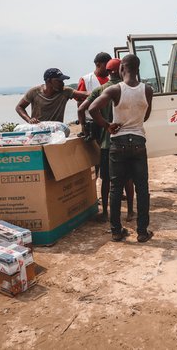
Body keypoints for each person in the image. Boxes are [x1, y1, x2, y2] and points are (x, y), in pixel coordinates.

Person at [89, 54, 154, 243]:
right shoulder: (147, 90)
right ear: (137, 69)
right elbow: (146, 115)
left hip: (118, 142)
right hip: (138, 142)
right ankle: (142, 232)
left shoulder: (116, 90)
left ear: (121, 69)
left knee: (115, 188)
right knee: (142, 188)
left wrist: (107, 125)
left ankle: (116, 231)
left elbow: (93, 108)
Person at [78, 59, 134, 222]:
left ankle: (105, 213)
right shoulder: (129, 89)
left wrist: (85, 128)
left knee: (106, 180)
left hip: (106, 142)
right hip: (127, 140)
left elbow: (82, 109)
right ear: (122, 70)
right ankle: (130, 212)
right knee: (127, 178)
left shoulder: (100, 90)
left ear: (109, 72)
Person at [16, 68, 86, 124]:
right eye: (59, 81)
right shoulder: (34, 92)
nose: (62, 83)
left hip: (57, 130)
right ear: (49, 81)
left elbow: (86, 94)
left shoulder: (66, 91)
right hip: (38, 129)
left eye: (62, 81)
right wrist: (29, 120)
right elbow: (19, 107)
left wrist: (96, 92)